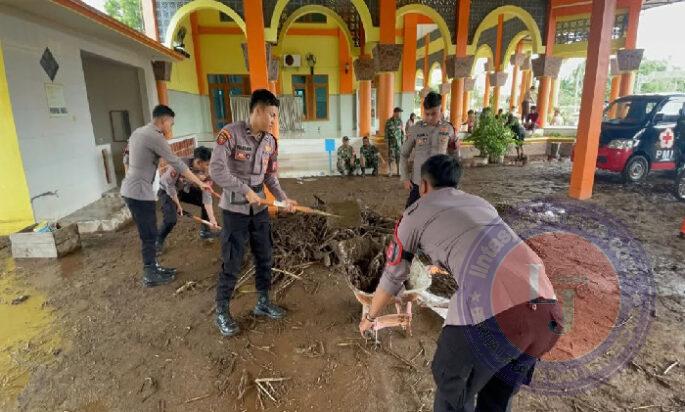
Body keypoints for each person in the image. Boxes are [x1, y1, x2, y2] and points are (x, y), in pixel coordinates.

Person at [359, 154, 562, 412]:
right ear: (456, 182)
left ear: (422, 185)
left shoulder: (414, 213)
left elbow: (393, 275)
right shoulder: (481, 204)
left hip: (497, 315)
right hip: (548, 314)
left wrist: (371, 315)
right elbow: (486, 249)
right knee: (496, 397)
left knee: (452, 384)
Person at [209, 89, 298, 337]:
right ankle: (222, 311)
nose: (273, 120)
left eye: (275, 116)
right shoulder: (230, 134)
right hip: (234, 210)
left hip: (259, 209)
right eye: (271, 114)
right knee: (232, 260)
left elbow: (270, 176)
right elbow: (217, 170)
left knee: (264, 256)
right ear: (257, 110)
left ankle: (262, 302)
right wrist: (245, 189)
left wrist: (283, 198)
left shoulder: (270, 142)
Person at [120, 105, 211, 287]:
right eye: (171, 123)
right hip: (139, 192)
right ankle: (149, 273)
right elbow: (177, 163)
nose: (171, 127)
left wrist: (131, 177)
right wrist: (200, 183)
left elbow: (126, 159)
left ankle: (154, 267)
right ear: (163, 121)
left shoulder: (138, 132)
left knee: (150, 230)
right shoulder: (155, 136)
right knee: (148, 233)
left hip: (134, 189)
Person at [156, 146, 219, 255]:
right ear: (199, 162)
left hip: (183, 190)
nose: (209, 167)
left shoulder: (207, 171)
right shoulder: (179, 164)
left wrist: (212, 219)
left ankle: (205, 231)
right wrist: (177, 204)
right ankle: (157, 241)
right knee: (170, 220)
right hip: (167, 190)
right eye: (207, 164)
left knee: (203, 201)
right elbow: (169, 185)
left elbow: (207, 194)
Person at [400, 92, 458, 208]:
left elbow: (454, 154)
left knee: (440, 213)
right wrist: (405, 178)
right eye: (427, 114)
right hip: (419, 182)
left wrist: (453, 178)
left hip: (440, 182)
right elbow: (403, 154)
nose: (430, 117)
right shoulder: (415, 129)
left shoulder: (449, 129)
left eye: (434, 113)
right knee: (410, 213)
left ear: (441, 110)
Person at [385, 107, 404, 177]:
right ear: (395, 112)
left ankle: (398, 172)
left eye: (400, 112)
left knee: (399, 158)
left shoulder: (400, 121)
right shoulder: (388, 121)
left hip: (398, 144)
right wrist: (386, 143)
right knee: (391, 158)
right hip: (391, 143)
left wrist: (402, 142)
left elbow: (402, 132)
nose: (400, 114)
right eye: (399, 112)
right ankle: (390, 171)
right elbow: (386, 133)